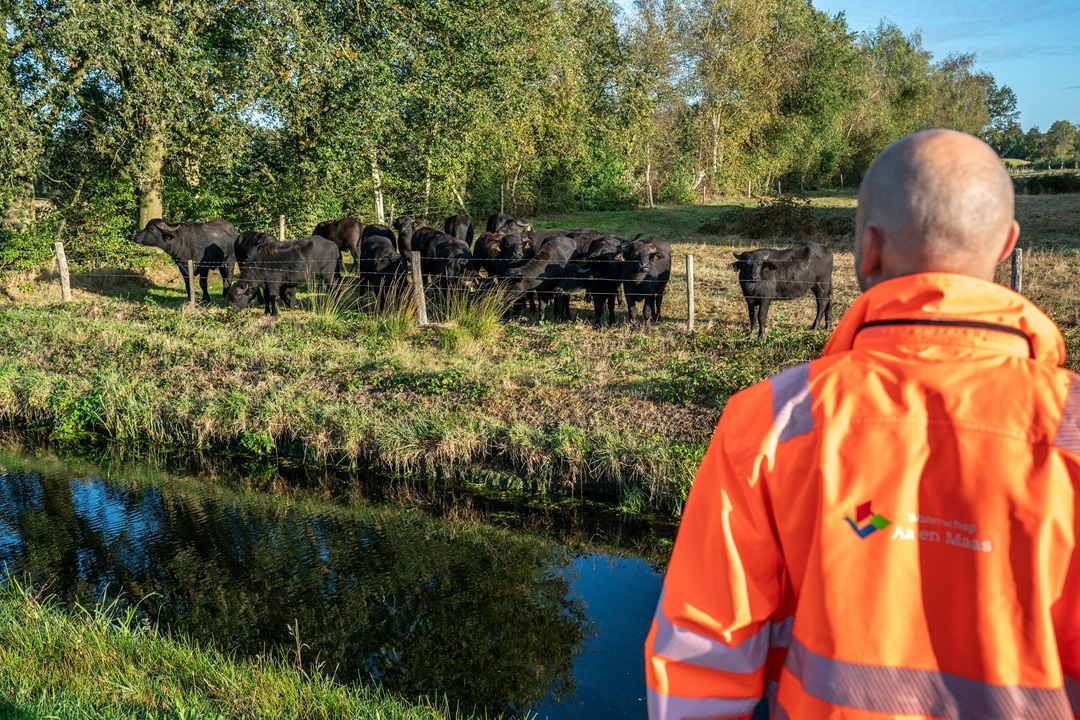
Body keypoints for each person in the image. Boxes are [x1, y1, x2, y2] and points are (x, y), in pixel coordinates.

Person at [644, 128, 1080, 719]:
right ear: (1007, 245)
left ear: (866, 249)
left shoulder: (769, 423)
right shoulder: (1071, 431)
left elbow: (699, 656)